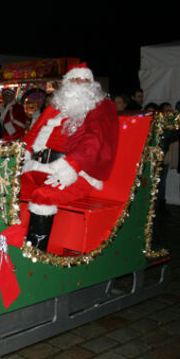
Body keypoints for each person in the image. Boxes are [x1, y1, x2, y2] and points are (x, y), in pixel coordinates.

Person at [20, 63, 119, 250]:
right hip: (38, 167)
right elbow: (34, 132)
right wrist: (22, 156)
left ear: (92, 84)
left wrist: (71, 166)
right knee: (6, 189)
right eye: (75, 79)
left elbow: (95, 142)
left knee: (43, 196)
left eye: (85, 80)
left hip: (76, 172)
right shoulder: (56, 105)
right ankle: (9, 244)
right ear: (67, 83)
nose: (80, 83)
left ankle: (35, 255)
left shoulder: (100, 107)